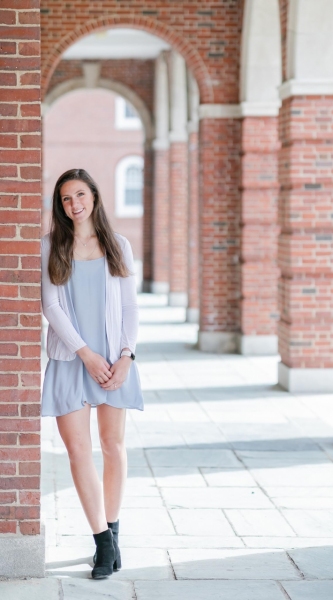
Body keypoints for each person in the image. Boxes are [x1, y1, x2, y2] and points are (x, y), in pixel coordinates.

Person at [41, 168, 144, 579]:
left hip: (115, 363)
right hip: (72, 362)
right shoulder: (50, 246)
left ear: (95, 197)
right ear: (60, 206)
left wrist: (125, 356)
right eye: (66, 199)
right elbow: (51, 307)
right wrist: (85, 354)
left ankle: (113, 529)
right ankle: (102, 541)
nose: (74, 204)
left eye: (80, 195)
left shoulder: (118, 245)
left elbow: (131, 308)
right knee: (79, 450)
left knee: (112, 445)